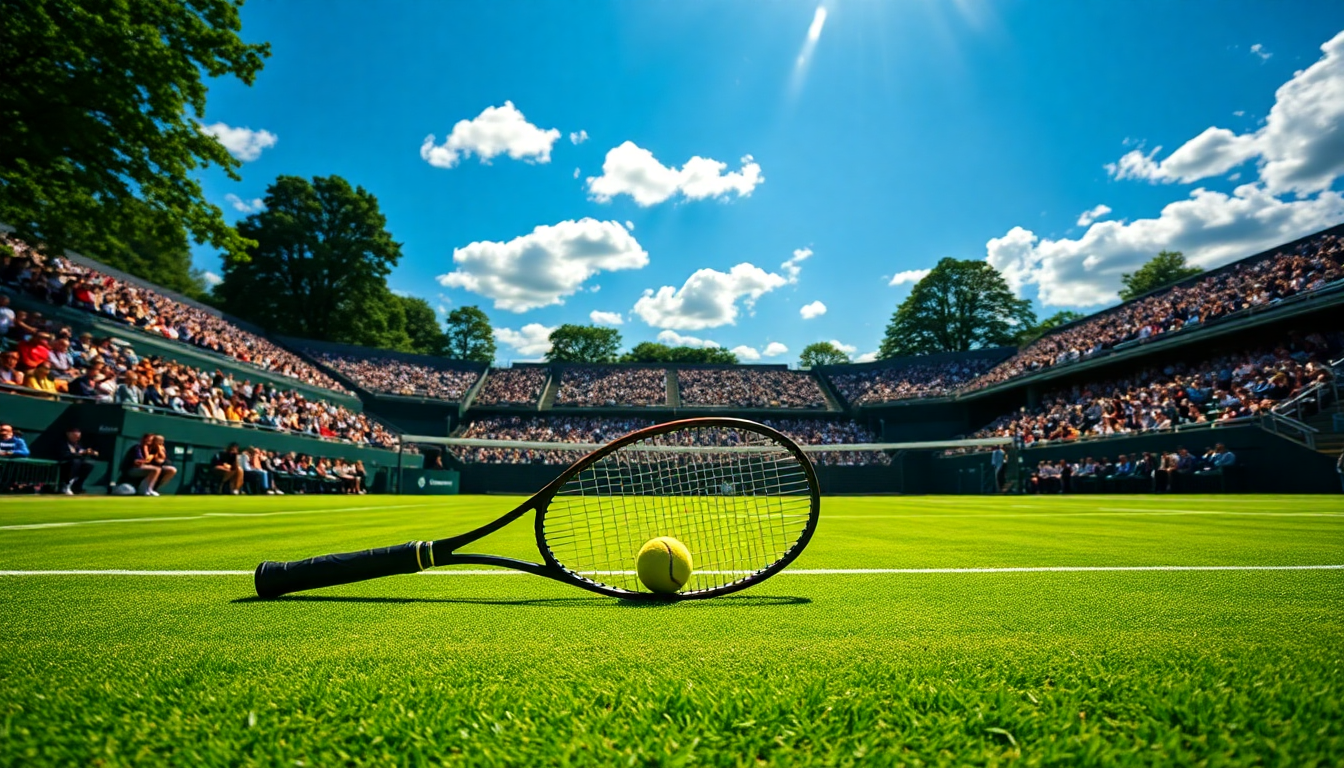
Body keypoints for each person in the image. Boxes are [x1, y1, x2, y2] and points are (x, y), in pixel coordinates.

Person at [55, 427, 98, 495]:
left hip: (75, 462)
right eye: (75, 436)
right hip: (64, 462)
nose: (77, 438)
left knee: (88, 465)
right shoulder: (62, 443)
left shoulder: (77, 444)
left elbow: (80, 451)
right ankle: (65, 486)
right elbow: (64, 454)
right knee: (76, 462)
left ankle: (77, 486)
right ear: (68, 435)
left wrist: (89, 452)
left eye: (78, 437)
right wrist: (78, 454)